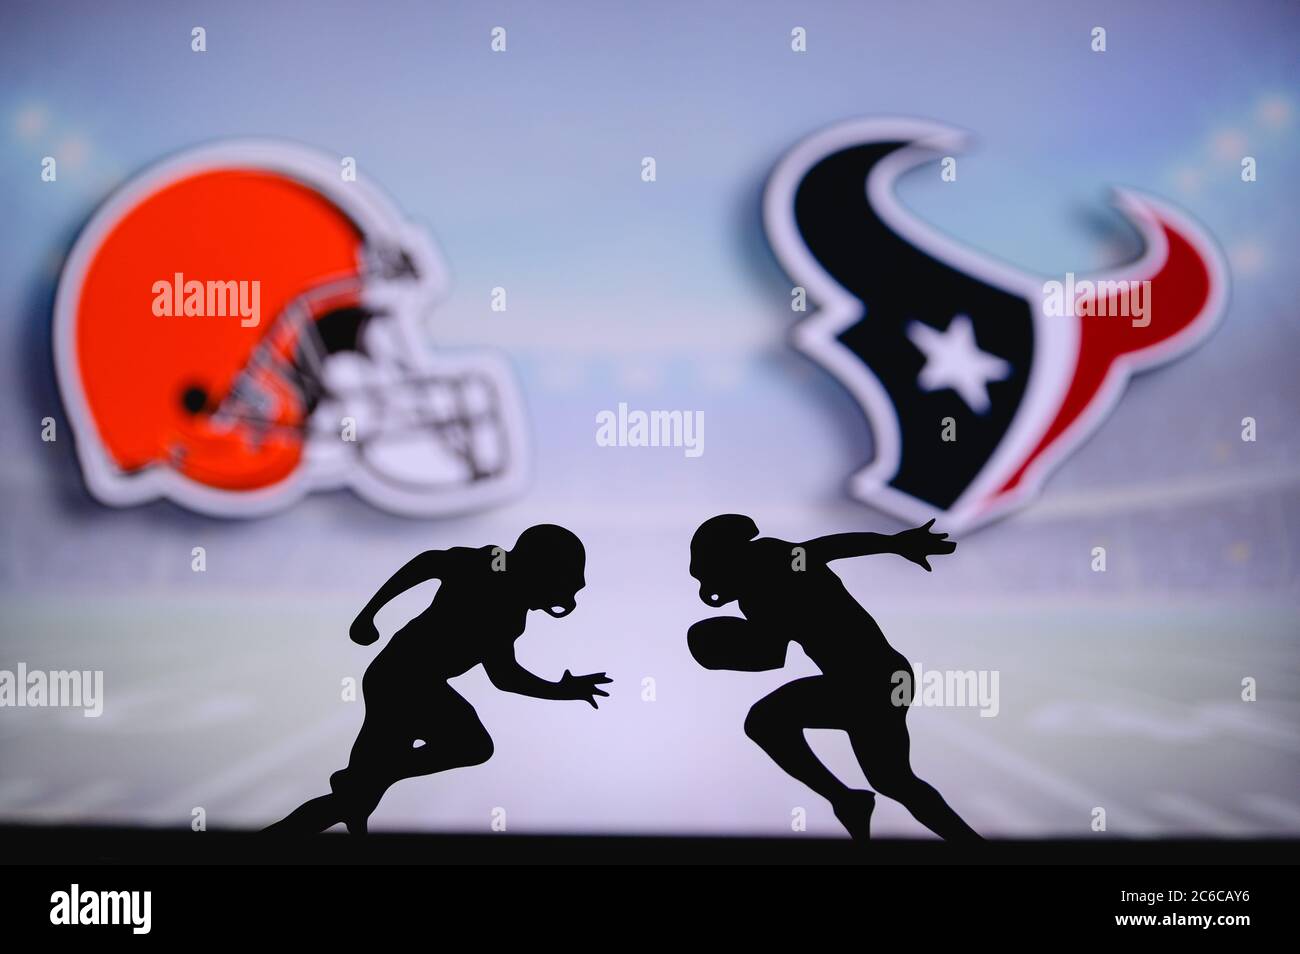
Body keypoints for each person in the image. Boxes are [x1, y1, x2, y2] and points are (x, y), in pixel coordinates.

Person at [267, 524, 610, 834]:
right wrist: (368, 614)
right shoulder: (491, 568)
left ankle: (359, 785)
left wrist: (561, 690)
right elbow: (430, 562)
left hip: (408, 681)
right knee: (471, 745)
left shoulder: (509, 606)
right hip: (404, 681)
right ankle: (372, 776)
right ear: (540, 570)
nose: (561, 600)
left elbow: (504, 676)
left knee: (353, 801)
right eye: (560, 586)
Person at [688, 514, 980, 841]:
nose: (707, 590)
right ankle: (957, 839)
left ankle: (846, 800)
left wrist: (894, 543)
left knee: (764, 721)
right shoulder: (757, 591)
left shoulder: (770, 563)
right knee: (892, 781)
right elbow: (771, 653)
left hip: (867, 680)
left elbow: (828, 548)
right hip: (875, 679)